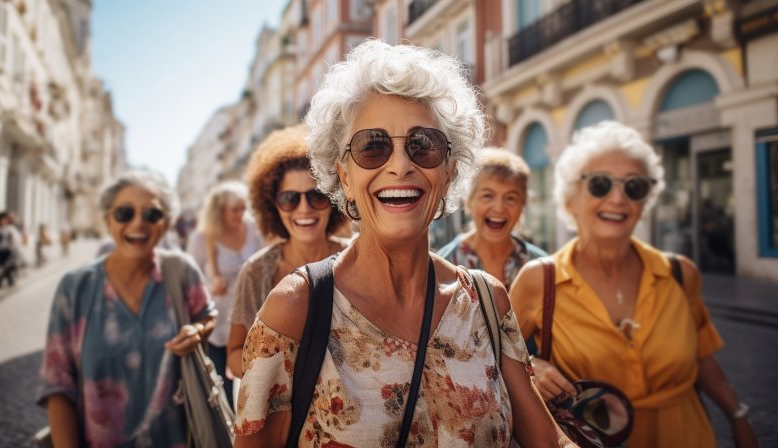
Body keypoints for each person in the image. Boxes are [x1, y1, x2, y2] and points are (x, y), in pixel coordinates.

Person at [233, 40, 571, 447]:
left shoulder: (487, 301)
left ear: (448, 171)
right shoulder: (294, 308)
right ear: (343, 176)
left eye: (422, 145)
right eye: (372, 146)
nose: (400, 164)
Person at [509, 121, 759, 448]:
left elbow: (701, 358)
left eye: (634, 187)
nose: (618, 198)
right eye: (600, 184)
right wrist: (532, 368)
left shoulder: (681, 274)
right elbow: (496, 362)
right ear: (571, 199)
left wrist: (737, 416)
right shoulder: (539, 280)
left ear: (645, 202)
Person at [38, 170, 217, 447]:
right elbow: (58, 386)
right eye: (124, 213)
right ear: (108, 220)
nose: (138, 224)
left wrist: (198, 330)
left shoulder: (181, 271)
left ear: (166, 223)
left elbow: (207, 314)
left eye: (152, 214)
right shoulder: (75, 288)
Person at [226, 124, 348, 379]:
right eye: (289, 198)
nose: (304, 209)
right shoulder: (256, 272)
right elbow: (234, 353)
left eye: (317, 196)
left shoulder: (359, 258)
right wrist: (278, 377)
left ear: (334, 198)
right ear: (273, 206)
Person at [437, 147, 547, 289]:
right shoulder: (444, 264)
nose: (499, 208)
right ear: (469, 201)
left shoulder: (542, 266)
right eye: (487, 196)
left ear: (522, 205)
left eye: (511, 198)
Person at [194, 180, 264, 404]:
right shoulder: (203, 237)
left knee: (252, 375)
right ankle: (227, 429)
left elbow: (267, 263)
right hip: (218, 320)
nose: (241, 214)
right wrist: (210, 283)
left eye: (243, 209)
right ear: (220, 210)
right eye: (235, 210)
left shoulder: (252, 228)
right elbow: (192, 280)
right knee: (221, 380)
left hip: (250, 316)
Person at [0, 211, 23, 287]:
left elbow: (17, 241)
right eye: (0, 220)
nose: (2, 221)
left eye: (4, 219)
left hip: (9, 251)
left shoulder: (11, 229)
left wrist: (12, 241)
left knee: (9, 266)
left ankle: (9, 277)